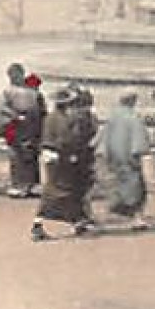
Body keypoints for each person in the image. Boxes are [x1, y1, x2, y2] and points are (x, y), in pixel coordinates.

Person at [32, 87, 96, 241]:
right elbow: (66, 140)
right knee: (65, 190)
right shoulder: (62, 120)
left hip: (49, 155)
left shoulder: (50, 117)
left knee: (55, 189)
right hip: (59, 156)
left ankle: (74, 221)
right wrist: (72, 154)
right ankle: (73, 221)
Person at [98, 92, 151, 230]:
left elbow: (104, 137)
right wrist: (141, 151)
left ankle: (114, 211)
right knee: (137, 187)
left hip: (114, 156)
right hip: (129, 156)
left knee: (118, 184)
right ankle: (137, 218)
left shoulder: (112, 117)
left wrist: (106, 153)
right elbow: (139, 140)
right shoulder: (133, 118)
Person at [0, 64, 43, 198]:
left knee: (32, 157)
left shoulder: (34, 92)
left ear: (22, 74)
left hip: (31, 127)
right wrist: (14, 117)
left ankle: (33, 185)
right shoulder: (7, 92)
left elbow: (41, 110)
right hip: (14, 127)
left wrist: (38, 124)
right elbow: (3, 110)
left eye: (17, 74)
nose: (14, 77)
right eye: (11, 75)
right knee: (16, 158)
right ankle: (18, 186)